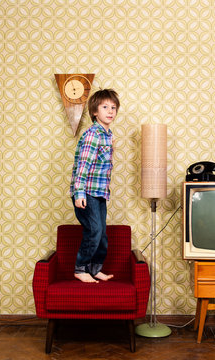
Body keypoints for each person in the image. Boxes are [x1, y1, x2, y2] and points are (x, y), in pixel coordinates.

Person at [70, 88, 120, 283]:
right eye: (105, 107)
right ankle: (80, 268)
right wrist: (79, 192)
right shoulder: (93, 134)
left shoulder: (107, 135)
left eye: (113, 107)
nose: (110, 111)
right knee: (94, 231)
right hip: (87, 191)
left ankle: (94, 268)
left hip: (99, 192)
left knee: (102, 235)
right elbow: (83, 166)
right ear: (94, 112)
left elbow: (103, 164)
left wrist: (112, 148)